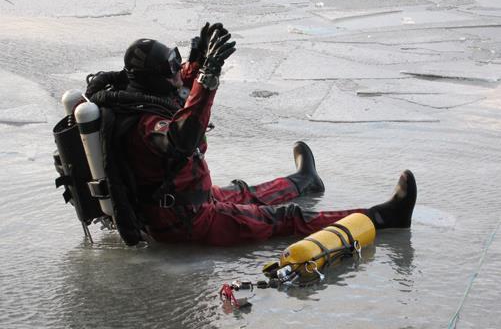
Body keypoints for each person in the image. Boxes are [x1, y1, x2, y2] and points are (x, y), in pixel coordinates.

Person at [85, 23, 417, 246]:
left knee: (246, 192)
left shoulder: (136, 96)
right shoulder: (146, 125)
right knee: (287, 218)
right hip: (189, 219)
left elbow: (176, 91)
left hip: (187, 201)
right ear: (154, 77)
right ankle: (384, 216)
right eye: (171, 66)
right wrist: (210, 76)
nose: (178, 71)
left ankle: (304, 180)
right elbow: (183, 137)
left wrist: (197, 62)